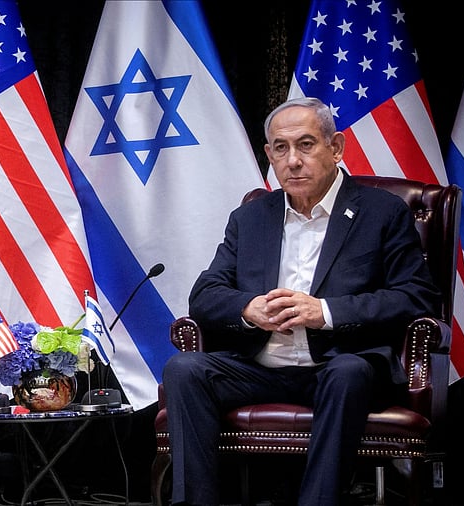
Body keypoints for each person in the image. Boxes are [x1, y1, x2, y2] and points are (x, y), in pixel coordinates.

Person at [162, 97, 440, 506]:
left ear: (336, 147)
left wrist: (324, 312)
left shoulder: (383, 213)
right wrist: (248, 309)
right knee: (185, 368)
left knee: (348, 370)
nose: (292, 160)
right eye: (280, 148)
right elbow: (205, 295)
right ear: (269, 155)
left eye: (306, 144)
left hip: (338, 364)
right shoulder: (251, 217)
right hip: (260, 367)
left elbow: (416, 297)